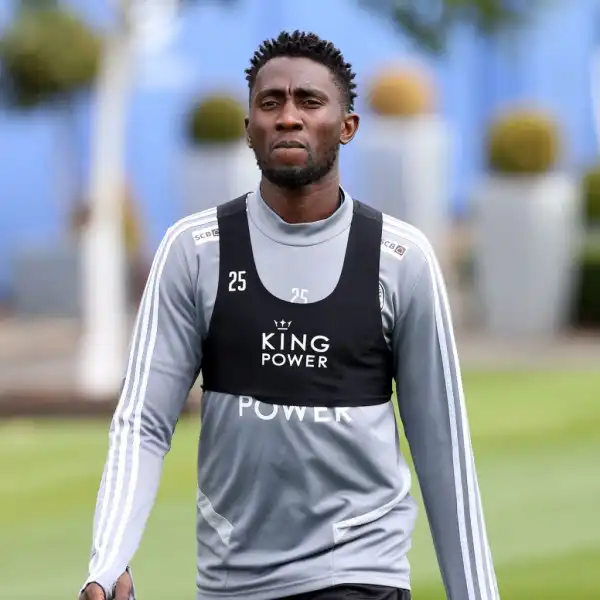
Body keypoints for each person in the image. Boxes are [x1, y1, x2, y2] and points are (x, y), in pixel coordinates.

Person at [78, 30, 500, 600]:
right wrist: (107, 563)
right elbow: (142, 423)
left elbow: (443, 449)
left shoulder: (401, 259)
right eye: (270, 102)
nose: (288, 117)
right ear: (248, 126)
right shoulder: (194, 251)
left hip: (360, 575)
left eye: (310, 101)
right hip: (232, 584)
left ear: (347, 126)